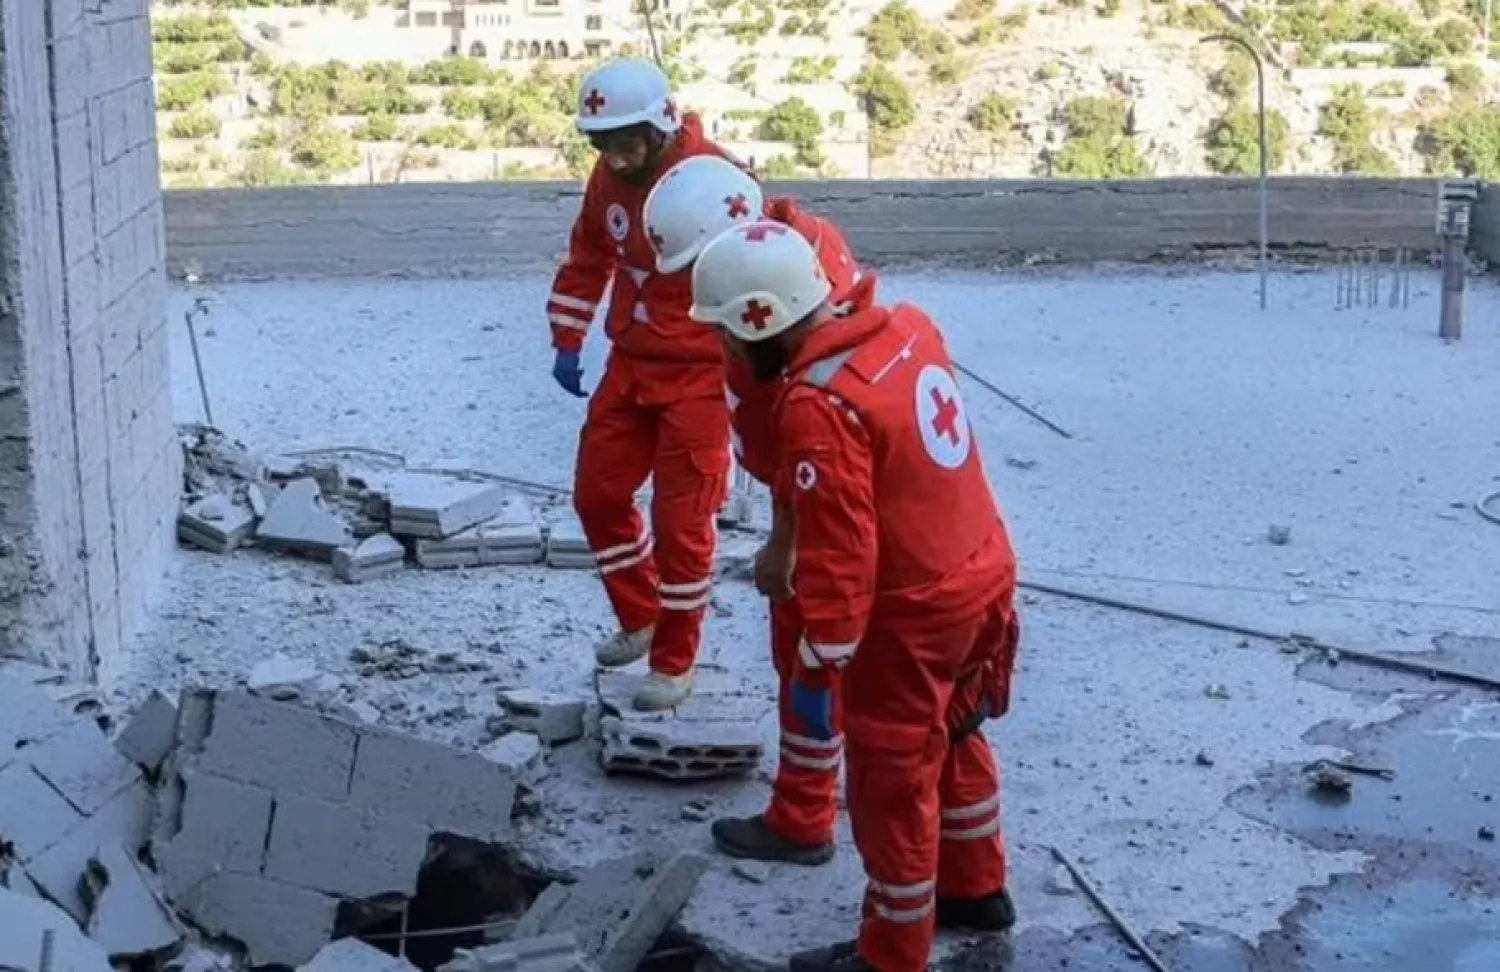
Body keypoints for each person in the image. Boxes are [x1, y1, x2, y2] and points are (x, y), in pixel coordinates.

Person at [690, 223, 1023, 972]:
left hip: (913, 615)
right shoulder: (907, 327)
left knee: (891, 783)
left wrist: (821, 654)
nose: (726, 356)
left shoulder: (817, 404)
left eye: (727, 337)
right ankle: (978, 888)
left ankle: (892, 952)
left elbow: (843, 551)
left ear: (760, 319)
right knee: (960, 731)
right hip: (983, 574)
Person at [642, 155, 877, 866]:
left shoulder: (788, 331)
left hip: (825, 503)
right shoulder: (794, 264)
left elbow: (817, 452)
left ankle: (816, 821)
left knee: (820, 663)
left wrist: (785, 542)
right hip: (823, 489)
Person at [545, 58, 742, 712]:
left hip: (701, 373)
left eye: (625, 141)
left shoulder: (716, 180)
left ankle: (674, 659)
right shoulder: (607, 179)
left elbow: (761, 273)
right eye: (601, 143)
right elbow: (589, 255)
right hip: (631, 362)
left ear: (660, 126)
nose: (615, 157)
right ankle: (641, 613)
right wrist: (568, 337)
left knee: (682, 523)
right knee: (597, 495)